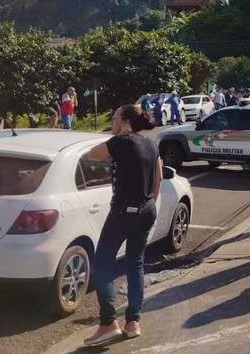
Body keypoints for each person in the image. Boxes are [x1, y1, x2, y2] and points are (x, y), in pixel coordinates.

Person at [83, 104, 161, 347]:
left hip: (122, 212)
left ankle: (108, 323)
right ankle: (132, 323)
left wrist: (117, 135)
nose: (112, 122)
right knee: (135, 263)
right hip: (147, 209)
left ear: (126, 121)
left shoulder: (120, 143)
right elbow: (157, 178)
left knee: (101, 266)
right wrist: (147, 204)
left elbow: (92, 155)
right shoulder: (150, 143)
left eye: (114, 118)